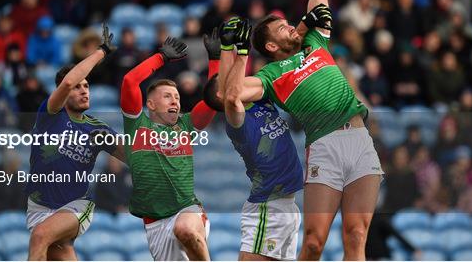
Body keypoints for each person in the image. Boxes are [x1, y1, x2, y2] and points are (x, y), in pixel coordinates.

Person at [232, 0, 383, 260]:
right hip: (324, 144)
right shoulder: (271, 74)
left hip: (359, 137)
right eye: (283, 28)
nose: (290, 27)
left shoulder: (314, 43)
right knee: (313, 242)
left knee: (357, 235)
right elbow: (233, 94)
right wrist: (236, 53)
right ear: (270, 46)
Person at [203, 20, 304, 260]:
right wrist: (239, 52)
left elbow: (230, 86)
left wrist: (227, 49)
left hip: (288, 206)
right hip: (268, 207)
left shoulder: (259, 98)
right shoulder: (236, 120)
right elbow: (230, 95)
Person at [26, 23, 124, 260]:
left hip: (77, 205)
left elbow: (131, 157)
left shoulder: (98, 129)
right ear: (61, 91)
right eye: (78, 86)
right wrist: (101, 52)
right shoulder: (49, 114)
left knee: (40, 236)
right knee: (59, 254)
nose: (83, 90)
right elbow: (68, 82)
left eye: (87, 86)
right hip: (38, 206)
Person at [120, 35, 219, 261]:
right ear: (151, 104)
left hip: (187, 209)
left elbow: (215, 98)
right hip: (155, 224)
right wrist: (161, 58)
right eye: (167, 96)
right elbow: (129, 81)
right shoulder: (137, 125)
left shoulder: (185, 125)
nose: (175, 101)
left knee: (185, 229)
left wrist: (215, 60)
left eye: (176, 97)